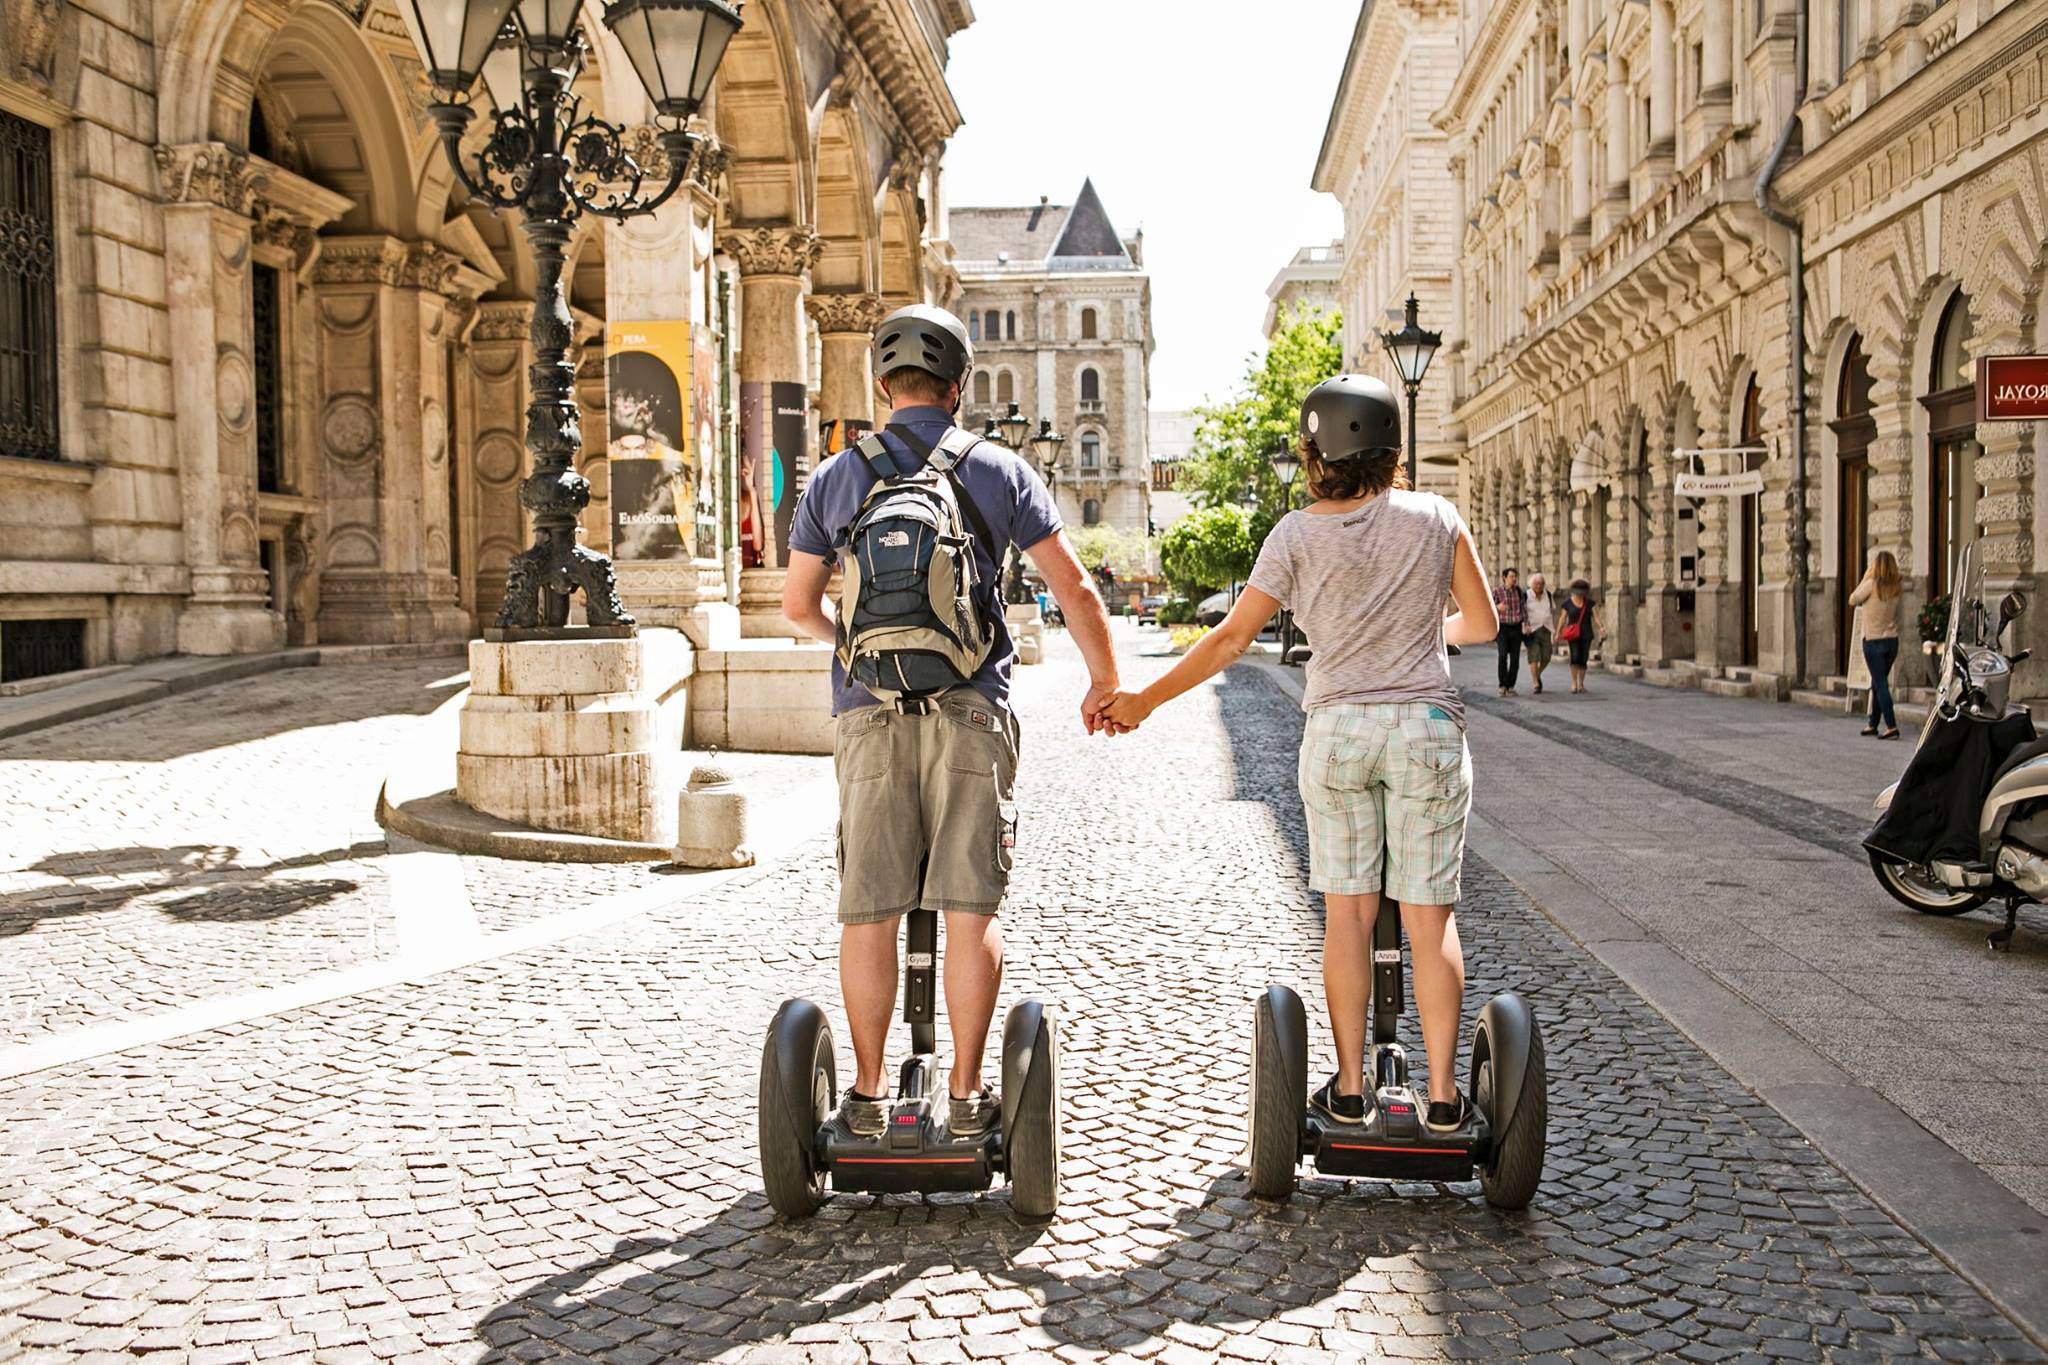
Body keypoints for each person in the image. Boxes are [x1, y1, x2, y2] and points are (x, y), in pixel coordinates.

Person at [1103, 374, 1498, 1135]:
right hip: (1424, 727)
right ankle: (1446, 1099)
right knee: (1428, 918)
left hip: (1339, 730)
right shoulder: (1437, 516)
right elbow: (1478, 623)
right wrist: (1420, 639)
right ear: (1391, 446)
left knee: (1347, 916)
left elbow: (1228, 638)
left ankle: (1349, 1089)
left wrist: (1145, 701)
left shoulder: (1294, 533)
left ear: (1316, 453)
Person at [782, 304, 1120, 1141]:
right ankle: (967, 1097)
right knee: (972, 906)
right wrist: (1105, 682)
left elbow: (797, 605)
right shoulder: (996, 467)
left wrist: (853, 650)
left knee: (869, 910)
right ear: (961, 385)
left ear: (880, 383)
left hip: (868, 712)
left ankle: (863, 1097)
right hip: (973, 708)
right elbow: (1073, 588)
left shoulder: (837, 474)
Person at [1852, 549, 1904, 739]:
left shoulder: (1870, 585)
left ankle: (1891, 726)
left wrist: (1866, 576)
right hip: (1891, 641)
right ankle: (1873, 723)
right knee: (1877, 681)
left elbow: (1853, 599)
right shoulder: (1897, 588)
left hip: (1873, 642)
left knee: (1881, 684)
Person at [1560, 579, 1599, 693]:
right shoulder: (1567, 603)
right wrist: (1558, 632)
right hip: (1573, 635)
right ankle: (1574, 683)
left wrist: (1601, 628)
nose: (1580, 594)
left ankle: (1581, 684)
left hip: (1586, 634)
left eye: (1582, 592)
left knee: (1583, 658)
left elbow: (1596, 617)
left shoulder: (1590, 603)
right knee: (1575, 657)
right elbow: (1562, 618)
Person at [1492, 568, 1526, 696]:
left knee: (1515, 658)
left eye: (1515, 576)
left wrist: (1526, 625)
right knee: (1502, 656)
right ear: (1504, 577)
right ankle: (1502, 685)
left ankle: (1511, 685)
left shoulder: (1518, 591)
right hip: (1503, 628)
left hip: (1516, 627)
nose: (1514, 579)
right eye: (1512, 576)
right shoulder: (1497, 591)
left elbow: (1524, 609)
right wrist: (1497, 607)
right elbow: (1488, 607)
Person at [1524, 573, 1557, 695]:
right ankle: (1536, 683)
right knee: (1534, 655)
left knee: (1547, 656)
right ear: (1531, 584)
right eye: (1536, 584)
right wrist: (1525, 626)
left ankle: (1536, 674)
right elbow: (1522, 612)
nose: (1538, 586)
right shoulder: (1526, 595)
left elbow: (1553, 610)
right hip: (1532, 630)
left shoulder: (1548, 594)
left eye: (1541, 584)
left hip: (1546, 629)